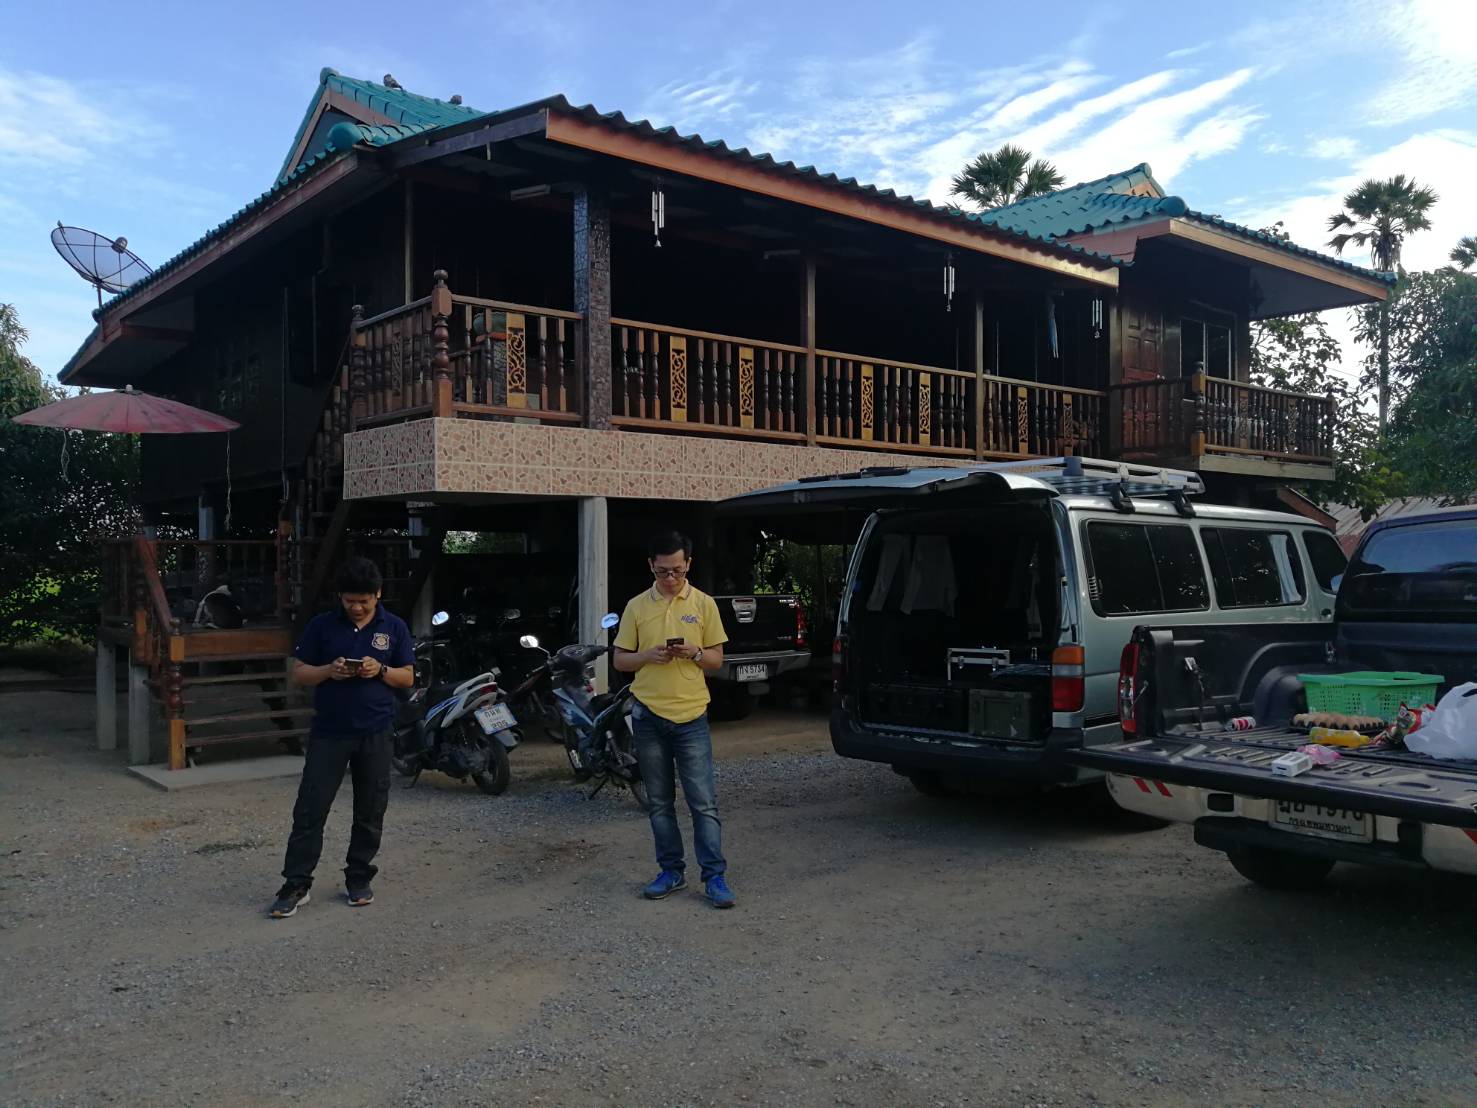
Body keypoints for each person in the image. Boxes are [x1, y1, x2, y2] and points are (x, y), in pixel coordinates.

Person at [269, 557, 414, 918]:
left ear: (377, 594)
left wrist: (380, 669)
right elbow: (300, 673)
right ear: (340, 597)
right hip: (329, 733)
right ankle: (296, 883)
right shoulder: (322, 625)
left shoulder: (394, 627)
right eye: (350, 600)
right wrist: (328, 671)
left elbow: (407, 677)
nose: (356, 607)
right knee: (310, 809)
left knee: (370, 809)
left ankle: (359, 877)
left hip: (376, 732)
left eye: (363, 600)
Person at [612, 531, 735, 909]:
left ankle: (714, 877)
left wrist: (695, 652)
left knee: (703, 803)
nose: (670, 578)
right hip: (648, 715)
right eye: (663, 571)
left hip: (692, 715)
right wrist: (647, 656)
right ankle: (671, 871)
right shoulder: (636, 606)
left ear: (688, 565)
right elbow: (619, 660)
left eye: (678, 571)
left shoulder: (704, 604)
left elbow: (717, 660)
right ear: (651, 565)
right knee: (660, 803)